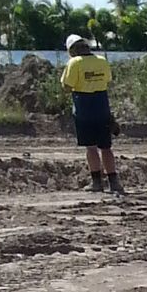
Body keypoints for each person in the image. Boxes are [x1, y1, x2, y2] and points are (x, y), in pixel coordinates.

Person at [61, 34, 120, 194]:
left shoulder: (74, 63)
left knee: (91, 148)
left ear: (72, 50)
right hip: (102, 106)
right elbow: (107, 81)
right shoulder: (102, 61)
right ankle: (114, 183)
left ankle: (96, 183)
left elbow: (67, 87)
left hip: (84, 108)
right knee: (106, 147)